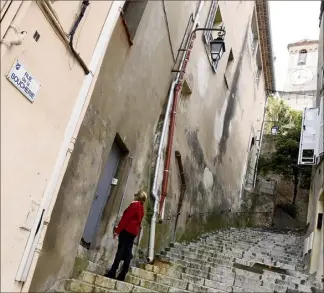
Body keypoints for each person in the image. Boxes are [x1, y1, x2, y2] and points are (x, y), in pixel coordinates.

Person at [104, 190, 147, 281]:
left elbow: (126, 219)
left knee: (120, 251)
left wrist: (117, 230)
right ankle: (123, 273)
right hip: (133, 232)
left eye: (136, 195)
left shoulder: (134, 205)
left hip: (126, 231)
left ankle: (113, 271)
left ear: (137, 196)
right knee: (127, 253)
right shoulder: (141, 208)